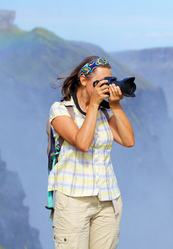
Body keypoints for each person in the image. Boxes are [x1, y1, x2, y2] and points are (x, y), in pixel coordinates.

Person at [48, 56, 135, 249]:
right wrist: (94, 105)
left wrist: (115, 105)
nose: (105, 87)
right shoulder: (61, 110)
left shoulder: (106, 113)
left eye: (109, 81)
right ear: (83, 79)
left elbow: (128, 141)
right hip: (73, 200)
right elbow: (82, 143)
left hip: (107, 198)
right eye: (100, 83)